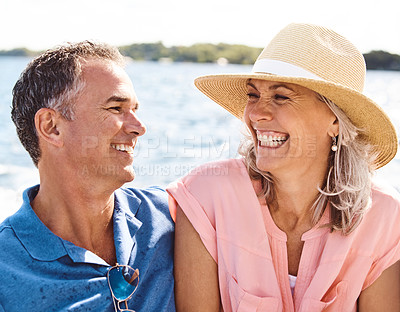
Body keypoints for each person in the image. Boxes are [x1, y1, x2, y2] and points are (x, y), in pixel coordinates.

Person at [167, 23, 400, 311]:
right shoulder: (206, 196)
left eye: (281, 96)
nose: (256, 113)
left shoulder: (383, 215)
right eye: (253, 95)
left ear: (335, 121)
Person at [0, 41, 175, 311]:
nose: (139, 128)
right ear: (52, 127)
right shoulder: (5, 267)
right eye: (116, 108)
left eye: (135, 110)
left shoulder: (172, 216)